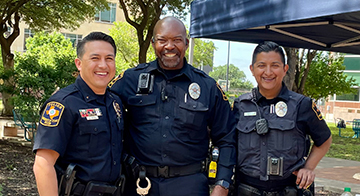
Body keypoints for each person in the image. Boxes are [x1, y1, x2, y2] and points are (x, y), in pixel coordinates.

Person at [109, 16, 236, 196]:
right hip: (138, 184)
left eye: (177, 40)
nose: (169, 46)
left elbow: (227, 137)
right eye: (162, 40)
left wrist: (222, 185)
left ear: (186, 43)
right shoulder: (130, 80)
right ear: (153, 43)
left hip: (189, 185)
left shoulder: (207, 86)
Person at [233, 41, 332, 196]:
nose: (268, 72)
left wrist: (308, 168)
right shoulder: (240, 105)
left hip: (288, 189)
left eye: (275, 65)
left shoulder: (302, 105)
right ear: (252, 69)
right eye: (261, 65)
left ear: (285, 69)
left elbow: (325, 139)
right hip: (247, 189)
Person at [33, 32, 124, 196]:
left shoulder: (115, 102)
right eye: (95, 58)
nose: (103, 65)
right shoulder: (63, 104)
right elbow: (43, 164)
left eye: (109, 59)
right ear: (79, 63)